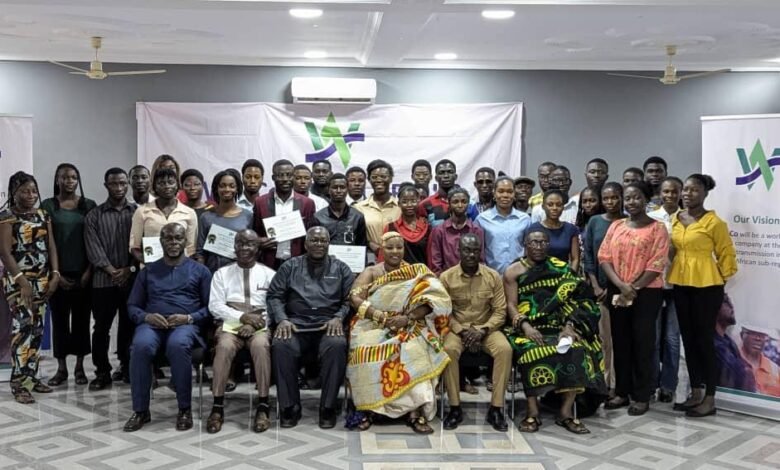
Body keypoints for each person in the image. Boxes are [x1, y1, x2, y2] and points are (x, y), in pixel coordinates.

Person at [347, 231, 451, 434]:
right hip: (372, 323)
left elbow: (435, 300)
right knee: (363, 350)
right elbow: (354, 298)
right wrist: (380, 316)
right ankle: (369, 409)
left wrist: (408, 318)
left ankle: (415, 412)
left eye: (399, 247)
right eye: (390, 247)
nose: (395, 251)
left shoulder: (416, 271)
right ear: (381, 250)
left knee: (415, 350)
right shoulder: (372, 272)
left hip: (408, 323)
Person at [505, 228, 605, 434]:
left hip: (558, 326)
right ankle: (532, 411)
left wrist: (569, 327)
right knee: (530, 352)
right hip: (527, 327)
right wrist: (526, 327)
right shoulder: (513, 271)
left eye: (543, 243)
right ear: (525, 245)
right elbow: (511, 305)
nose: (539, 247)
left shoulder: (562, 268)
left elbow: (579, 300)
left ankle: (566, 412)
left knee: (576, 349)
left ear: (548, 245)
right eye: (534, 242)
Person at [123, 223, 212, 432]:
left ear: (186, 241)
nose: (173, 243)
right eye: (168, 238)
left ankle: (184, 409)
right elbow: (132, 306)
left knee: (178, 344)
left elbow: (211, 308)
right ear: (160, 242)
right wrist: (146, 317)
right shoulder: (149, 271)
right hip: (152, 325)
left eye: (178, 238)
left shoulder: (201, 271)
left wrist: (189, 318)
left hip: (185, 325)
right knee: (141, 346)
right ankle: (141, 410)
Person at [267, 227, 353, 429]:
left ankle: (328, 408)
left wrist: (338, 318)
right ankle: (289, 407)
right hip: (295, 325)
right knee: (281, 345)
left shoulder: (341, 268)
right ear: (305, 244)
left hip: (327, 325)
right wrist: (282, 319)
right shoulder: (290, 267)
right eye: (314, 240)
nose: (319, 244)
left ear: (328, 244)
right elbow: (274, 296)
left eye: (323, 241)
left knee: (337, 344)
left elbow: (350, 300)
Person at [668, 174, 737, 417]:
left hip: (707, 287)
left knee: (705, 341)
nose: (687, 194)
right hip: (681, 284)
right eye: (685, 190)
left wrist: (720, 279)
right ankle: (695, 391)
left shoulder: (714, 222)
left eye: (694, 190)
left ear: (705, 194)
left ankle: (710, 399)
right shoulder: (676, 219)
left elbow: (727, 255)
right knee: (689, 339)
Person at [599, 182, 669, 416]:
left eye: (636, 198)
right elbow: (604, 256)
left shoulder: (657, 229)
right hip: (617, 288)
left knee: (643, 343)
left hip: (646, 292)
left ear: (646, 200)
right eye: (627, 198)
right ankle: (621, 391)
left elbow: (657, 263)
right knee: (621, 341)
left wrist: (633, 288)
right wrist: (620, 285)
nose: (631, 202)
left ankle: (641, 395)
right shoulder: (617, 225)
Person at [206, 229, 276, 434]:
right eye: (240, 243)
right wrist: (242, 318)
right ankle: (217, 405)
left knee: (261, 345)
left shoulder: (269, 274)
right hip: (230, 324)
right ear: (234, 247)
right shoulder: (221, 274)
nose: (245, 248)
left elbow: (273, 307)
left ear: (258, 248)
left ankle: (263, 404)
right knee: (225, 346)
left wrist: (254, 323)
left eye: (250, 244)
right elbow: (215, 306)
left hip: (259, 326)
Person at [0, 172, 60, 404]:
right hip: (18, 283)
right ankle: (18, 383)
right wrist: (21, 280)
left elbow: (51, 245)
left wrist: (55, 274)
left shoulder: (42, 214)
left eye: (34, 191)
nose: (31, 195)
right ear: (13, 192)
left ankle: (31, 376)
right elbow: (5, 252)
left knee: (37, 329)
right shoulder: (6, 216)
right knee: (22, 329)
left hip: (42, 279)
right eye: (25, 191)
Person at [440, 234, 510, 432]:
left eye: (475, 250)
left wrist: (482, 330)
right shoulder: (446, 277)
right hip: (458, 330)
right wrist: (462, 331)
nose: (471, 254)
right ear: (458, 251)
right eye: (466, 250)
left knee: (504, 349)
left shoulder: (493, 276)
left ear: (480, 252)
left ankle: (496, 408)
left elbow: (500, 310)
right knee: (448, 350)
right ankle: (454, 407)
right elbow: (444, 312)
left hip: (486, 328)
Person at [41, 163, 97, 387]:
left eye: (74, 177)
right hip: (57, 274)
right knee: (60, 322)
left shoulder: (88, 205)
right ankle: (62, 368)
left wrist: (89, 271)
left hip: (84, 273)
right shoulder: (48, 206)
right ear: (57, 180)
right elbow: (44, 242)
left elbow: (95, 240)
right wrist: (55, 274)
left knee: (82, 322)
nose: (69, 181)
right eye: (64, 177)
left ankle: (80, 367)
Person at [84, 168, 138, 389]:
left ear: (128, 185)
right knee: (101, 329)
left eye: (123, 183)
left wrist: (129, 269)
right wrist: (111, 270)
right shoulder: (93, 216)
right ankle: (102, 372)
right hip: (102, 282)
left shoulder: (138, 213)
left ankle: (126, 367)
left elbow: (142, 245)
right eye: (114, 184)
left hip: (131, 280)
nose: (118, 188)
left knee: (128, 326)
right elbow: (93, 248)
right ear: (106, 185)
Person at [582, 182, 625, 396]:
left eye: (615, 197)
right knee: (604, 340)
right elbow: (589, 255)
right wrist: (596, 285)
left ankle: (621, 384)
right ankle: (606, 384)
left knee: (622, 339)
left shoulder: (628, 222)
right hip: (598, 290)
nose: (610, 202)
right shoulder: (594, 222)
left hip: (623, 289)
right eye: (606, 198)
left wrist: (616, 285)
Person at [648, 176, 683, 403]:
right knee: (653, 338)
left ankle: (668, 385)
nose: (670, 196)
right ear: (660, 193)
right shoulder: (651, 217)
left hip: (679, 286)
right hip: (654, 285)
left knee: (672, 339)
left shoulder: (688, 218)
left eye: (674, 192)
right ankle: (651, 383)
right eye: (666, 192)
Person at [253, 160, 316, 270]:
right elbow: (255, 231)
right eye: (280, 175)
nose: (285, 179)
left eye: (289, 175)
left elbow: (310, 235)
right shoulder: (260, 202)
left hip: (297, 263)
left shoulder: (307, 203)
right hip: (269, 262)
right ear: (273, 178)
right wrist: (259, 241)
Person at [130, 167, 198, 263]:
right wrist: (150, 265)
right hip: (152, 270)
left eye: (171, 182)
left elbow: (191, 248)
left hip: (180, 270)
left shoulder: (189, 213)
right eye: (161, 183)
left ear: (177, 186)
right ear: (154, 187)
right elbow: (134, 247)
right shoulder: (142, 211)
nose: (167, 186)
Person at [196, 169, 253, 273]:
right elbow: (200, 253)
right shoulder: (206, 217)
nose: (227, 189)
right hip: (212, 273)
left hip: (239, 273)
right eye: (222, 185)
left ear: (237, 189)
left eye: (232, 186)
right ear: (216, 188)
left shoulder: (248, 216)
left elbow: (253, 249)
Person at [475, 176, 531, 274]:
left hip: (519, 276)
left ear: (514, 194)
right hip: (492, 276)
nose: (505, 195)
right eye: (501, 191)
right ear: (494, 193)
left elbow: (528, 249)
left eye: (509, 192)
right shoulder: (482, 219)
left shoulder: (525, 219)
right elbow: (479, 250)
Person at [428, 187, 484, 275]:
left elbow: (480, 260)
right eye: (455, 202)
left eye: (464, 201)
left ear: (468, 204)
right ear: (449, 204)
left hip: (472, 279)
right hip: (446, 280)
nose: (460, 205)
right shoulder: (439, 231)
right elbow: (436, 262)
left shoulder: (476, 230)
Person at [354, 159, 401, 263]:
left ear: (391, 179)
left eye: (383, 177)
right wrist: (370, 244)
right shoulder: (358, 208)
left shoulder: (400, 207)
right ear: (369, 180)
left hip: (397, 259)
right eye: (374, 177)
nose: (379, 180)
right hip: (369, 260)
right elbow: (356, 237)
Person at [528, 190, 580, 271]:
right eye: (550, 205)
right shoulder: (534, 228)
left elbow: (575, 259)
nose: (554, 208)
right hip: (539, 276)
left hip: (564, 276)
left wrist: (571, 277)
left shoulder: (570, 229)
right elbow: (528, 257)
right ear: (543, 207)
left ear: (563, 207)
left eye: (558, 205)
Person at [313, 173, 368, 248]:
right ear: (328, 190)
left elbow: (362, 246)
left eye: (342, 187)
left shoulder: (358, 217)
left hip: (351, 258)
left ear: (347, 189)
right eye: (335, 187)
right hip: (326, 259)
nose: (338, 191)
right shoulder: (318, 217)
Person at [714, 295, 756, 392]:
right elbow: (744, 374)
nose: (731, 306)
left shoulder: (728, 341)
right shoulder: (714, 343)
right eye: (726, 302)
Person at [383, 183, 430, 265]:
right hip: (398, 275)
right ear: (398, 203)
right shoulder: (390, 227)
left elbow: (432, 256)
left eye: (413, 201)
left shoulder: (428, 228)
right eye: (404, 201)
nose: (409, 205)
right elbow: (383, 256)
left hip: (423, 275)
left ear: (418, 202)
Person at [739, 326, 780, 396]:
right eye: (753, 333)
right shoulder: (732, 360)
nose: (758, 338)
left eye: (762, 335)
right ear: (742, 335)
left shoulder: (775, 370)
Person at [418, 159, 458, 227]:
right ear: (436, 178)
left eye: (450, 172)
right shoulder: (425, 204)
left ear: (456, 176)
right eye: (442, 172)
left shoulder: (466, 203)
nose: (446, 176)